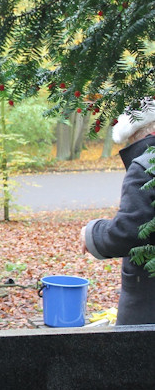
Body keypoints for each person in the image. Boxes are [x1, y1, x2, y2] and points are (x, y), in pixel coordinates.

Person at [79, 99, 155, 325]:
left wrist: (91, 233)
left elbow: (129, 232)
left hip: (146, 303)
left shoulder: (145, 166)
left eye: (134, 139)